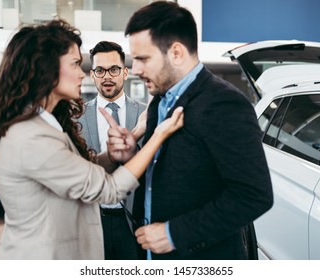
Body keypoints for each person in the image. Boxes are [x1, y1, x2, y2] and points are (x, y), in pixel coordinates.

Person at [0, 19, 183, 260]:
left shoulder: (46, 126)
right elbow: (109, 189)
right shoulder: (31, 138)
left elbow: (83, 169)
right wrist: (158, 133)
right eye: (75, 64)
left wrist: (114, 153)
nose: (83, 75)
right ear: (47, 70)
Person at [107, 1, 273, 260]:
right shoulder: (158, 102)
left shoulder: (225, 104)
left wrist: (174, 234)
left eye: (143, 59)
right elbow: (164, 173)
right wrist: (131, 155)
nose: (135, 69)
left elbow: (254, 195)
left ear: (176, 53)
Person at [79, 41, 146, 260]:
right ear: (92, 74)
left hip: (134, 222)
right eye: (100, 70)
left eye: (114, 69)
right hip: (92, 221)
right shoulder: (75, 117)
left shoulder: (146, 115)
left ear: (125, 72)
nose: (107, 76)